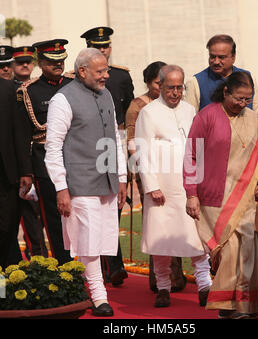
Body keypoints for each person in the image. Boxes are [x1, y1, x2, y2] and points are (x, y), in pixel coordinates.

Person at [183, 71, 258, 319]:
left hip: (247, 197)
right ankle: (230, 303)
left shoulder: (255, 120)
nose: (243, 104)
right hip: (214, 198)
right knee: (226, 253)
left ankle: (237, 306)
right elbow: (191, 157)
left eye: (247, 99)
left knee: (244, 251)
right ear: (226, 92)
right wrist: (191, 194)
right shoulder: (207, 116)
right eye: (239, 98)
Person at [45, 48, 127, 317]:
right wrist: (61, 188)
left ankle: (82, 290)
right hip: (79, 183)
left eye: (106, 70)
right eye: (100, 71)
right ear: (82, 71)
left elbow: (114, 138)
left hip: (107, 181)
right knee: (88, 240)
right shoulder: (62, 100)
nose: (106, 76)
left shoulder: (106, 94)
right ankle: (99, 297)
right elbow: (53, 147)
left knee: (103, 238)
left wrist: (122, 178)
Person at [135, 65, 212, 308]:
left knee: (197, 240)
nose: (176, 92)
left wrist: (202, 181)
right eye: (171, 87)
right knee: (161, 243)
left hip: (189, 187)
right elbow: (142, 152)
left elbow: (198, 147)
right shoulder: (148, 112)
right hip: (162, 189)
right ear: (160, 85)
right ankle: (163, 288)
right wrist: (151, 186)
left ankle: (204, 286)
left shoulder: (190, 110)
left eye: (180, 87)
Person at [126, 61, 187, 293]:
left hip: (178, 177)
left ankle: (177, 276)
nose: (165, 88)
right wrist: (145, 176)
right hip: (150, 174)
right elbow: (134, 143)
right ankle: (160, 280)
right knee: (159, 227)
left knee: (181, 224)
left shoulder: (181, 107)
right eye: (158, 83)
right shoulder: (139, 106)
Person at [81, 26, 134, 286]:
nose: (103, 50)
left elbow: (130, 114)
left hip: (117, 142)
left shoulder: (122, 76)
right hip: (91, 147)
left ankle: (113, 263)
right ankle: (109, 265)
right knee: (98, 205)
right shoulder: (77, 79)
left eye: (105, 46)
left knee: (116, 203)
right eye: (97, 47)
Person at [185, 34, 258, 176]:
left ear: (233, 57)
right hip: (213, 163)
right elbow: (189, 126)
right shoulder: (196, 82)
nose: (216, 61)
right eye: (212, 56)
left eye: (221, 57)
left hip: (246, 157)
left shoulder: (247, 78)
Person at [17, 39, 73, 264]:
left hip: (76, 158)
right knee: (55, 217)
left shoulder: (73, 85)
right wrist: (27, 171)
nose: (58, 65)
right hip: (45, 162)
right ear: (39, 62)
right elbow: (23, 134)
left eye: (61, 60)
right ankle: (64, 265)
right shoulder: (28, 92)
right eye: (52, 61)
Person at [11, 45, 48, 259]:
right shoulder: (12, 91)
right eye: (20, 62)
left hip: (43, 156)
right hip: (23, 160)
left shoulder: (36, 88)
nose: (25, 65)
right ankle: (37, 256)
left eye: (28, 61)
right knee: (29, 214)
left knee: (47, 214)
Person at [0, 78, 33, 269]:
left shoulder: (9, 89)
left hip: (6, 173)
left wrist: (25, 171)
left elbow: (19, 133)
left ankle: (5, 284)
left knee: (6, 227)